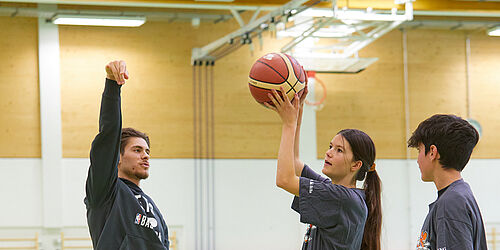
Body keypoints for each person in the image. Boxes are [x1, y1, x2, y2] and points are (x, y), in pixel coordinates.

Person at [265, 86, 382, 250]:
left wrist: (288, 124)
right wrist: (297, 115)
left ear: (356, 165)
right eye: (330, 146)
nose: (329, 153)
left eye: (339, 150)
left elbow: (284, 179)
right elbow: (295, 162)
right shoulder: (337, 191)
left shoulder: (342, 198)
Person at [84, 60, 170, 249]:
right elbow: (108, 136)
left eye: (147, 151)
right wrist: (112, 86)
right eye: (137, 150)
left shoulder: (153, 209)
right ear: (118, 157)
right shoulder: (106, 192)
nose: (145, 156)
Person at [408, 114, 487, 250]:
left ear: (432, 152)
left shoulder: (451, 202)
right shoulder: (458, 196)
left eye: (419, 150)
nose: (417, 160)